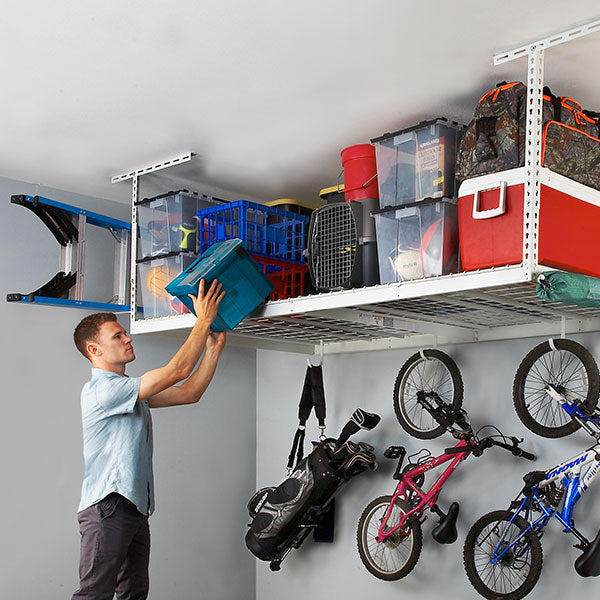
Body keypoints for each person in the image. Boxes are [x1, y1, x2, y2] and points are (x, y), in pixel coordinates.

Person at [70, 279, 226, 600]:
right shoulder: (105, 391)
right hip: (108, 507)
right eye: (118, 336)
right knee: (94, 595)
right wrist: (203, 320)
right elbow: (178, 370)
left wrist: (212, 350)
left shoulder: (129, 391)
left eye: (124, 333)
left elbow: (188, 393)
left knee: (134, 593)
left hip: (133, 506)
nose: (128, 338)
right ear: (95, 350)